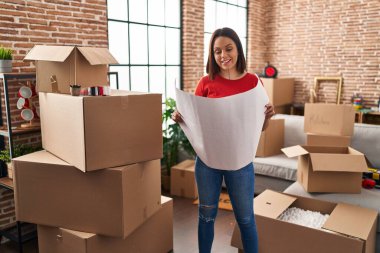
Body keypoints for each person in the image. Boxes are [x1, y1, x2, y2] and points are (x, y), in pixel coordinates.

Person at [172, 27, 275, 253]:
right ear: (212, 54)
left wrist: (267, 117)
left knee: (246, 220)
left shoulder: (253, 82)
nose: (223, 55)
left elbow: (261, 128)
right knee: (206, 216)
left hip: (240, 164)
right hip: (207, 163)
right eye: (217, 51)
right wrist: (180, 118)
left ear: (238, 49)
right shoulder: (206, 82)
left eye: (228, 49)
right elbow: (196, 122)